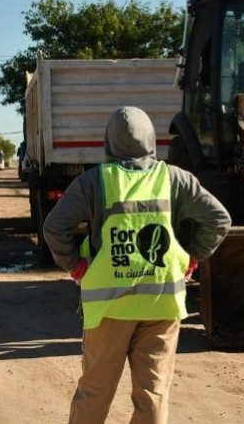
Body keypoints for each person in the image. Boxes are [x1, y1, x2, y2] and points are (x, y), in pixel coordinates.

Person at [44, 106, 231, 423]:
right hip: (161, 305)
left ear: (109, 141)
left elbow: (54, 227)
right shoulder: (174, 179)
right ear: (150, 140)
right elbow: (219, 219)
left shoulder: (94, 182)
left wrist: (76, 266)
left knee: (95, 393)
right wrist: (192, 256)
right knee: (153, 396)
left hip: (109, 309)